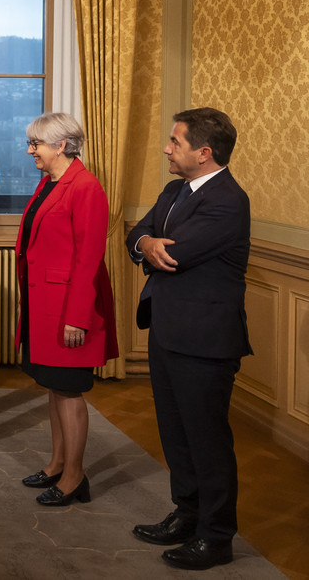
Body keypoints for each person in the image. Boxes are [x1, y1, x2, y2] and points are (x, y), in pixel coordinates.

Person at [126, 108, 250, 571]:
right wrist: (145, 243)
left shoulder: (228, 201)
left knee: (207, 441)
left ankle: (216, 537)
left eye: (175, 141)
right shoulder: (174, 190)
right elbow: (137, 233)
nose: (166, 148)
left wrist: (155, 244)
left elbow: (177, 254)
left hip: (206, 340)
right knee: (176, 435)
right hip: (168, 331)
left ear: (204, 152)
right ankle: (187, 514)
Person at [14, 113, 118, 506]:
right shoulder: (50, 181)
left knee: (70, 390)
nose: (30, 151)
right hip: (45, 306)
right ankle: (58, 463)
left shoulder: (86, 187)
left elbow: (89, 258)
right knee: (55, 387)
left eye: (36, 144)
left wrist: (77, 317)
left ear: (61, 145)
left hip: (68, 310)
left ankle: (75, 478)